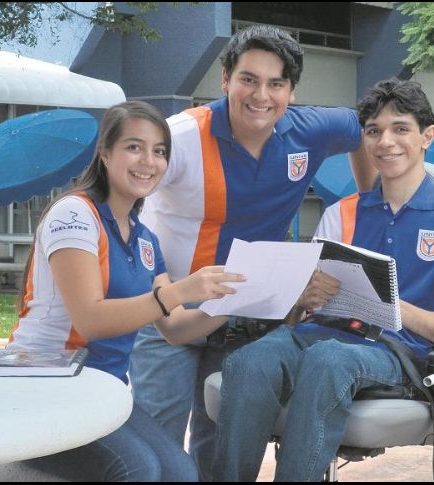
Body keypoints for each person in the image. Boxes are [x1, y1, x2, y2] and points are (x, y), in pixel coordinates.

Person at [212, 78, 434, 481]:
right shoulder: (342, 213)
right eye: (374, 131)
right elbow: (300, 314)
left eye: (400, 129)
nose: (386, 142)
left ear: (427, 136)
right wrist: (302, 297)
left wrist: (384, 300)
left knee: (329, 360)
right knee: (250, 360)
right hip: (320, 334)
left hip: (395, 351)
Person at [128, 24, 374, 480]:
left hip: (245, 313)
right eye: (248, 79)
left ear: (291, 92)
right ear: (225, 79)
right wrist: (153, 287)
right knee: (156, 448)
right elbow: (125, 201)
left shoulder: (311, 131)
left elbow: (360, 130)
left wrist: (367, 201)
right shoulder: (181, 136)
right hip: (172, 308)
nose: (261, 95)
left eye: (276, 83)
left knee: (222, 448)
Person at [5, 101, 244, 482]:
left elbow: (175, 328)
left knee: (182, 473)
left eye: (159, 151)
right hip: (45, 384)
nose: (148, 161)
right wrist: (181, 290)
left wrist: (234, 303)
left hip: (102, 390)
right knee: (138, 469)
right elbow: (90, 319)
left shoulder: (145, 238)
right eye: (134, 147)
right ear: (104, 154)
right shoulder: (74, 214)